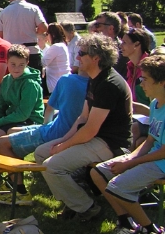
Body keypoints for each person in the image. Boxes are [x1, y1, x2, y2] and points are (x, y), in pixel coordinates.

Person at [34, 34, 133, 221]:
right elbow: (83, 118)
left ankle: (87, 208)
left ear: (96, 58)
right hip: (94, 138)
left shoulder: (109, 84)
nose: (77, 57)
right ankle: (74, 199)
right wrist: (62, 141)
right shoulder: (95, 79)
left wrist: (63, 147)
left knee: (52, 166)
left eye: (81, 53)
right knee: (41, 153)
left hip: (110, 143)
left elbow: (90, 130)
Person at [90, 55, 165, 234]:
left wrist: (130, 163)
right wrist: (131, 157)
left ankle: (154, 232)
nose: (141, 84)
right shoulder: (155, 105)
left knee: (118, 187)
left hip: (162, 163)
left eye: (145, 79)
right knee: (99, 173)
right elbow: (150, 141)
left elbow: (163, 152)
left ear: (162, 82)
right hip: (154, 157)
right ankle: (127, 225)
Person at [0, 68, 89, 205]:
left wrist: (45, 129)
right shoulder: (95, 85)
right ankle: (12, 181)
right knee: (11, 131)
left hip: (54, 132)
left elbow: (49, 109)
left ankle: (20, 191)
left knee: (1, 142)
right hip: (61, 130)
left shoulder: (67, 80)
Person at [0, 45, 45, 150]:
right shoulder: (6, 79)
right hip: (11, 118)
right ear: (7, 62)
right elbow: (1, 106)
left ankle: (0, 161)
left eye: (21, 65)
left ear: (27, 63)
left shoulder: (30, 84)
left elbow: (23, 114)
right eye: (13, 64)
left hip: (28, 120)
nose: (16, 69)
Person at [0, 0, 48, 72]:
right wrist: (35, 32)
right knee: (34, 78)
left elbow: (0, 36)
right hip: (31, 51)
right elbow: (44, 27)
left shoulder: (3, 12)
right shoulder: (33, 9)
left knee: (14, 79)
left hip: (12, 53)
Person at [94, 11, 128, 76]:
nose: (95, 29)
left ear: (110, 28)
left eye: (98, 25)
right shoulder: (95, 48)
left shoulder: (122, 52)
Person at [41, 23, 71, 96]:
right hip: (61, 82)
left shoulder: (56, 47)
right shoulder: (62, 45)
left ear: (53, 35)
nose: (46, 37)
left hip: (56, 83)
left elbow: (43, 62)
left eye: (47, 34)